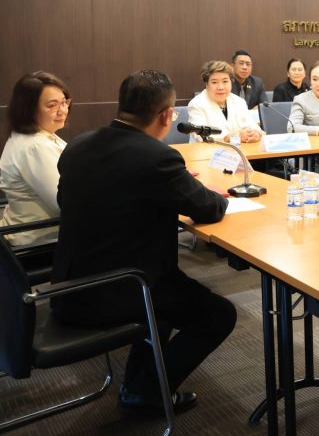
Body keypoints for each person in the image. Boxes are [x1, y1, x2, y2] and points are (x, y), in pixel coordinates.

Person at [51, 70, 236, 416]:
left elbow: (69, 202)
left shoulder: (78, 146)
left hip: (68, 285)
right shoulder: (157, 157)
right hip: (118, 288)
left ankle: (139, 384)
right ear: (166, 116)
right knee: (219, 315)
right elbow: (208, 208)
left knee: (170, 300)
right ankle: (144, 393)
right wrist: (210, 193)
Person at [0, 72, 70, 247]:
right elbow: (65, 202)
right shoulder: (35, 146)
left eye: (64, 102)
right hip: (39, 241)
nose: (62, 110)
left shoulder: (40, 135)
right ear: (28, 109)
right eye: (52, 105)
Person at [187, 60, 263, 143]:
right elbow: (201, 138)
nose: (221, 87)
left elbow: (254, 127)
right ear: (207, 84)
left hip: (239, 150)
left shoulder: (239, 102)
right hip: (207, 150)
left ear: (231, 82)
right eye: (214, 82)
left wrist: (256, 134)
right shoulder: (197, 104)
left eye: (225, 81)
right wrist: (232, 137)